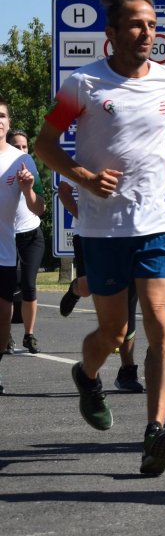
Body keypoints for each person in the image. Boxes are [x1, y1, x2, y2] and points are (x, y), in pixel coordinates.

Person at [34, 0, 165, 476]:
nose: (147, 32)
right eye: (135, 24)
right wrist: (84, 177)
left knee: (160, 320)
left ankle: (155, 431)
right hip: (103, 227)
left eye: (151, 24)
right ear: (110, 34)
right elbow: (46, 144)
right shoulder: (83, 84)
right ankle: (87, 375)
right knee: (114, 331)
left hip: (157, 222)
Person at [57, 180, 146, 393]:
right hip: (90, 235)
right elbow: (64, 190)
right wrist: (82, 215)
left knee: (129, 301)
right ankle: (75, 289)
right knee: (88, 286)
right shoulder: (89, 150)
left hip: (130, 235)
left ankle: (127, 370)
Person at [1, 105, 44, 393]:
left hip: (3, 252)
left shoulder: (21, 160)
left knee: (3, 320)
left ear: (8, 121)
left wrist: (28, 189)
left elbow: (39, 207)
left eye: (1, 116)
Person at [6, 129, 46, 354]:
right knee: (8, 288)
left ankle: (29, 335)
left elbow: (40, 206)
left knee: (29, 285)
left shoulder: (30, 167)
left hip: (31, 234)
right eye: (17, 146)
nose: (21, 150)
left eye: (24, 147)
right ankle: (6, 333)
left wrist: (28, 189)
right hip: (7, 237)